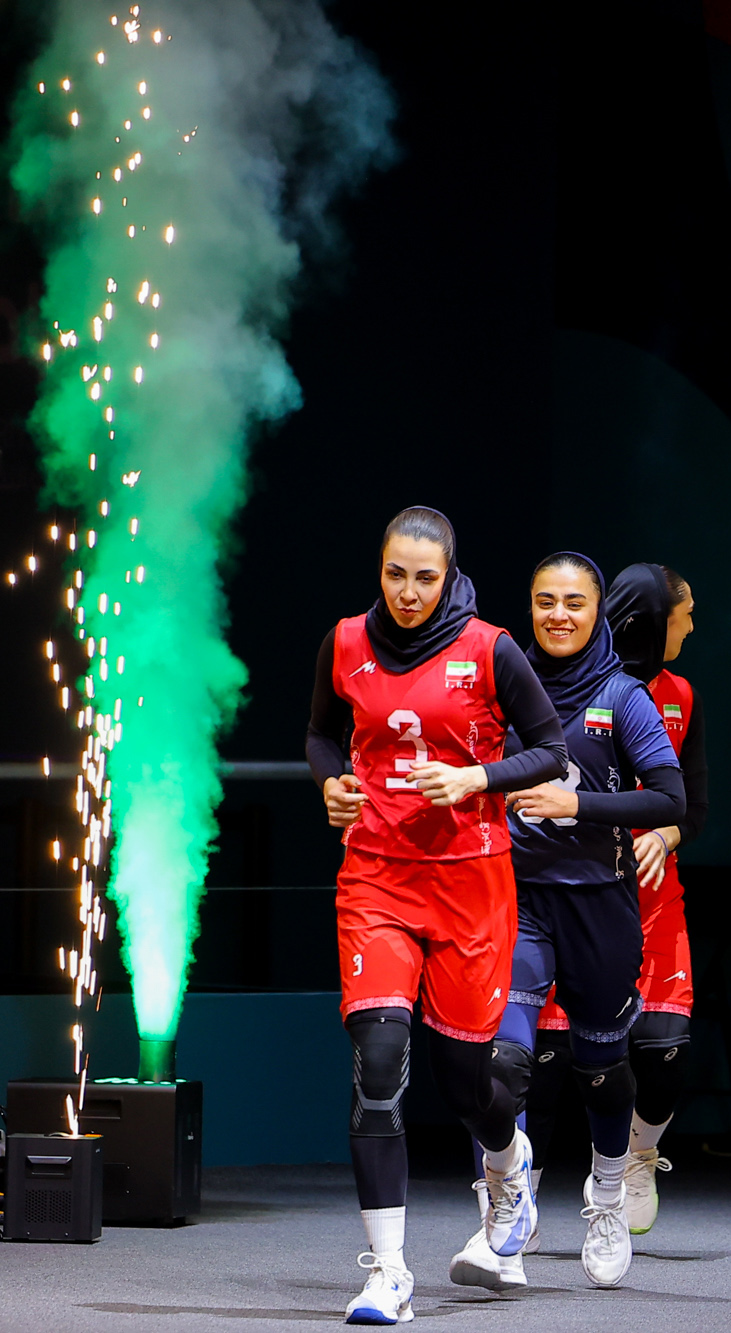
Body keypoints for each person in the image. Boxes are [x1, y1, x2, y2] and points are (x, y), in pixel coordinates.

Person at [305, 507, 570, 1324]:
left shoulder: (491, 648)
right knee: (379, 1065)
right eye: (395, 573)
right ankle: (388, 1272)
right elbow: (320, 735)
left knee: (464, 1083)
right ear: (379, 568)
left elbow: (551, 751)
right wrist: (330, 783)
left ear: (450, 574)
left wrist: (477, 778)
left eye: (425, 576)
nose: (409, 591)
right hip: (377, 878)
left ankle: (508, 1163)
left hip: (470, 884)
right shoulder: (345, 641)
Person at [449, 553, 684, 1292]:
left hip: (600, 906)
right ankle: (505, 1213)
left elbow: (670, 799)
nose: (558, 614)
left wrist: (575, 804)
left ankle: (607, 1199)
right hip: (516, 901)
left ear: (596, 611)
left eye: (574, 602)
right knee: (503, 1064)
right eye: (545, 600)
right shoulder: (503, 686)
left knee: (602, 1070)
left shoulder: (623, 695)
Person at [519, 563, 707, 1237]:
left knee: (658, 1052)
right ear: (651, 621)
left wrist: (664, 833)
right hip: (556, 892)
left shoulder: (673, 694)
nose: (692, 627)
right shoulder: (536, 683)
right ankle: (516, 1195)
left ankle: (634, 1161)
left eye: (574, 602)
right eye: (685, 614)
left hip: (642, 896)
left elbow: (687, 804)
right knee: (535, 1062)